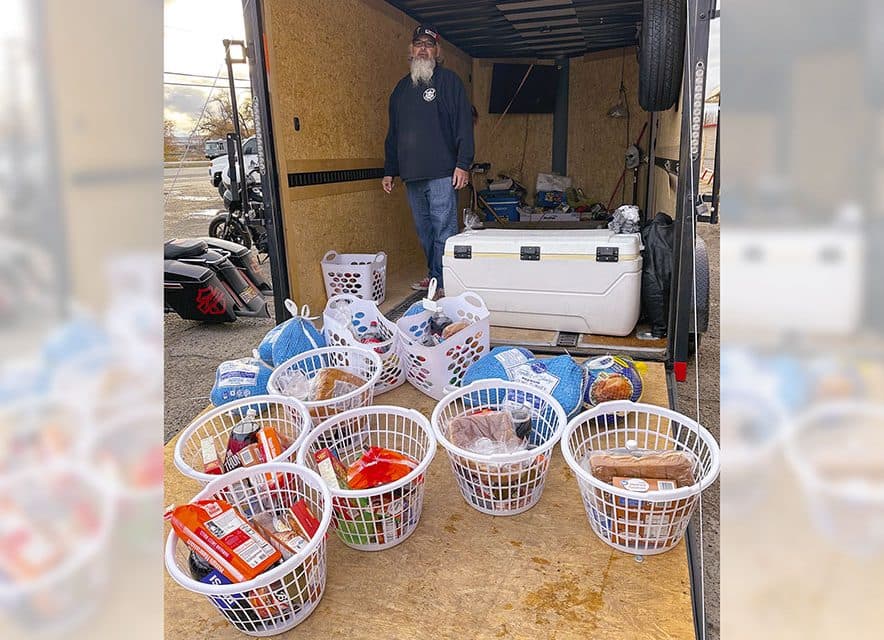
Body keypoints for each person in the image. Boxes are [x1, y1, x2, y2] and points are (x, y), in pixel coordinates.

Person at [382, 25, 474, 298]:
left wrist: (463, 163)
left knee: (443, 231)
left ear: (437, 52)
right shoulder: (400, 89)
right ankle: (435, 275)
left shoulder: (449, 82)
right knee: (425, 233)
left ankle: (444, 282)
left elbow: (463, 125)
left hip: (443, 173)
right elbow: (393, 133)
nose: (423, 48)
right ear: (411, 51)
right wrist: (390, 170)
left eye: (429, 44)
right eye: (418, 43)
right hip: (412, 175)